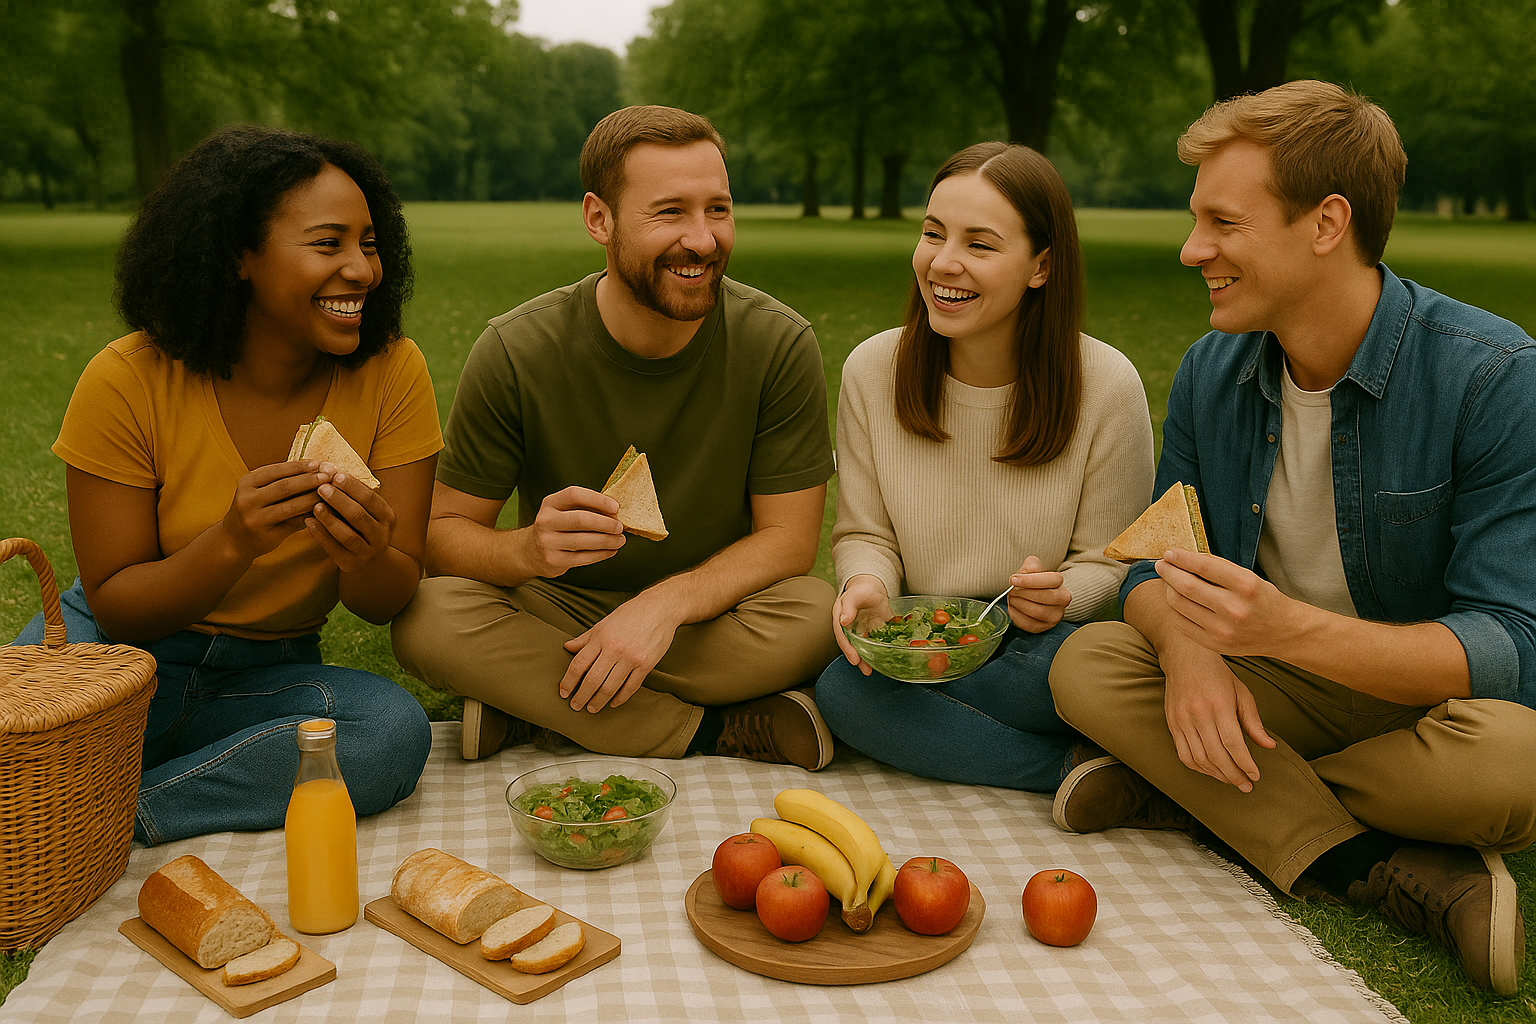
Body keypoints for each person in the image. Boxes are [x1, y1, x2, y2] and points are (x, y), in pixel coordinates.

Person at [1048, 81, 1536, 994]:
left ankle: (1194, 791)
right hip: (1268, 687)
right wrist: (1192, 661)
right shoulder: (1212, 368)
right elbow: (1157, 557)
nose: (1194, 250)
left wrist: (1284, 631)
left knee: (1519, 765)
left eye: (1224, 223)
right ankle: (1380, 863)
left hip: (1422, 704)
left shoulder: (1493, 377)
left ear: (1326, 224)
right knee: (1088, 665)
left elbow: (1514, 646)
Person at [11, 125, 440, 846]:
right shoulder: (126, 379)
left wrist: (366, 554)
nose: (362, 269)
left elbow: (385, 600)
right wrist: (234, 541)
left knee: (388, 733)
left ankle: (112, 818)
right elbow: (118, 604)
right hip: (111, 656)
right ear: (239, 255)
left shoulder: (393, 373)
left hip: (262, 680)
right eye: (328, 243)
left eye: (369, 243)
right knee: (12, 748)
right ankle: (73, 794)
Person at [390, 106, 840, 769]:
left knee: (814, 615)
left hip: (708, 617)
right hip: (556, 605)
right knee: (428, 614)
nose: (704, 239)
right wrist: (528, 550)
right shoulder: (517, 348)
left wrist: (664, 607)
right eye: (670, 213)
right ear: (599, 218)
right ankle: (713, 731)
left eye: (718, 209)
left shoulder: (778, 342)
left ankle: (535, 707)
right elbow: (442, 532)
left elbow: (790, 541)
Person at [812, 143, 1154, 790]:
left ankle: (1033, 739)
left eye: (980, 244)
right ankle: (1086, 773)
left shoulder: (1107, 384)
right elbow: (866, 535)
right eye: (933, 233)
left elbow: (1112, 561)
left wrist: (1061, 597)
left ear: (1041, 266)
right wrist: (868, 585)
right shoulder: (871, 371)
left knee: (1089, 672)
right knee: (843, 690)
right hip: (921, 639)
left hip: (1036, 647)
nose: (943, 262)